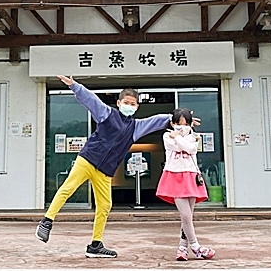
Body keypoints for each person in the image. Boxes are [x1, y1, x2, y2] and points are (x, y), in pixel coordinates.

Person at [36, 75, 182, 258]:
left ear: (137, 107)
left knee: (105, 205)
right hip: (88, 160)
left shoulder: (136, 127)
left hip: (105, 171)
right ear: (119, 102)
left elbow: (156, 120)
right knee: (67, 188)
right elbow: (91, 100)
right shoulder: (107, 114)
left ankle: (95, 245)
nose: (129, 105)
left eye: (133, 103)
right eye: (126, 102)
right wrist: (74, 85)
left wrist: (180, 118)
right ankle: (47, 221)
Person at [156, 107, 215, 261]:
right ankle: (196, 246)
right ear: (172, 123)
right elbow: (174, 146)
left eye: (184, 124)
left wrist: (179, 136)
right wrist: (180, 137)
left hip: (191, 177)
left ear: (190, 124)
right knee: (186, 215)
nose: (180, 127)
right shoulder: (166, 136)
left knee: (187, 218)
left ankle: (182, 248)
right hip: (174, 176)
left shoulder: (191, 137)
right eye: (177, 124)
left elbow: (190, 149)